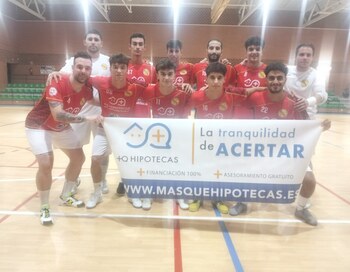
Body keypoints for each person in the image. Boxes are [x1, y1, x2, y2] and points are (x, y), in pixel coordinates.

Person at [229, 61, 331, 226]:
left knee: (310, 180)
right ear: (266, 79)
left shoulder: (294, 102)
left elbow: (305, 128)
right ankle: (242, 201)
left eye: (279, 78)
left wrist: (320, 127)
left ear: (284, 79)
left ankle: (301, 208)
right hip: (260, 150)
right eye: (272, 78)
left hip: (287, 151)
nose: (275, 81)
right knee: (239, 170)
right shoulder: (255, 97)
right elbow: (234, 104)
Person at [25, 52, 101, 225]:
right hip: (38, 125)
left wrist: (114, 105)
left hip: (59, 127)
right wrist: (87, 118)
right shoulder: (56, 81)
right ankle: (44, 206)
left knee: (78, 158)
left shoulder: (88, 87)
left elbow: (94, 101)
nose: (83, 70)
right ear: (72, 67)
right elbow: (58, 114)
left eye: (87, 68)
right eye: (79, 67)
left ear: (90, 70)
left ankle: (66, 194)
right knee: (46, 163)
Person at [48, 29, 111, 195]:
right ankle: (74, 180)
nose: (93, 42)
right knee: (75, 149)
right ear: (85, 41)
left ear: (101, 43)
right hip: (80, 112)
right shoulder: (73, 61)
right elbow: (59, 76)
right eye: (90, 39)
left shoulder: (107, 61)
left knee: (102, 151)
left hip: (100, 111)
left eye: (96, 39)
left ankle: (102, 179)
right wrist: (54, 72)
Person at [184, 62, 253, 213]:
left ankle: (218, 199)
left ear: (224, 79)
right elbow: (183, 112)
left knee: (219, 171)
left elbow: (253, 92)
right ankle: (197, 198)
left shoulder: (232, 96)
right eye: (212, 77)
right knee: (200, 170)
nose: (216, 81)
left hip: (223, 144)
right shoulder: (197, 96)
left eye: (219, 78)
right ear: (206, 79)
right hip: (202, 143)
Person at [86, 53, 149, 210]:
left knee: (130, 164)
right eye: (115, 67)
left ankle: (132, 193)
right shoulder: (101, 82)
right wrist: (57, 74)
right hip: (105, 129)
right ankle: (97, 192)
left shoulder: (135, 88)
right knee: (95, 159)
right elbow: (81, 77)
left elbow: (159, 88)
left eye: (122, 67)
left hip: (126, 133)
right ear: (111, 68)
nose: (119, 70)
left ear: (127, 69)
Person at [284, 44, 329, 225]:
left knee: (306, 162)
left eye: (308, 55)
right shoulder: (287, 72)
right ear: (295, 56)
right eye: (301, 54)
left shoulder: (316, 74)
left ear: (312, 57)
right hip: (285, 123)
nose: (304, 57)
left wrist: (307, 101)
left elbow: (322, 95)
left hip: (306, 125)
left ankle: (302, 205)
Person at [143, 58, 192, 210]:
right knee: (152, 167)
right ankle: (148, 194)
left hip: (176, 138)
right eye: (162, 74)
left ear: (175, 75)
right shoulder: (149, 91)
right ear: (157, 75)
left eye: (169, 74)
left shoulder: (183, 93)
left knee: (178, 166)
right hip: (155, 137)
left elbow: (187, 115)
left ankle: (179, 194)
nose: (166, 77)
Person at [115, 32, 157, 198]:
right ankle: (124, 179)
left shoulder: (151, 69)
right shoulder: (122, 66)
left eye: (141, 44)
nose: (138, 47)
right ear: (129, 46)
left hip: (144, 116)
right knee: (124, 151)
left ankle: (142, 179)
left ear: (145, 47)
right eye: (135, 44)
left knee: (142, 151)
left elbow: (155, 90)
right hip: (125, 117)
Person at [232, 36, 267, 119]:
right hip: (240, 115)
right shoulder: (237, 69)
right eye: (251, 49)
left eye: (258, 49)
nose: (254, 52)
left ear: (262, 51)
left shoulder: (268, 70)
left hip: (261, 114)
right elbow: (232, 93)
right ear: (246, 51)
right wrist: (257, 89)